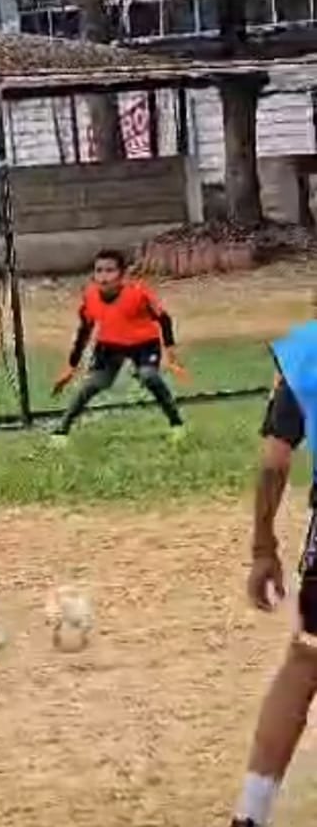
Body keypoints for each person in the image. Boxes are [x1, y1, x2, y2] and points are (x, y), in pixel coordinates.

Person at [228, 324, 317, 827]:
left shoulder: (307, 351)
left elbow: (274, 459)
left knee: (306, 661)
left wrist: (264, 547)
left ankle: (251, 814)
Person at [51, 248, 186, 441]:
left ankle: (176, 424)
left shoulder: (138, 293)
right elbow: (84, 331)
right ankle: (61, 431)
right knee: (91, 385)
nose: (104, 277)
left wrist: (172, 357)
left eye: (109, 271)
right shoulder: (90, 297)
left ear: (122, 275)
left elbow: (164, 320)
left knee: (149, 376)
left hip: (143, 344)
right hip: (109, 345)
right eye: (99, 271)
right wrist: (71, 368)